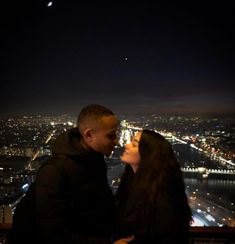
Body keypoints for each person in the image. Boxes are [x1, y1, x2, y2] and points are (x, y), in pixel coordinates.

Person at [35, 104, 119, 244]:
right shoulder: (54, 171)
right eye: (111, 135)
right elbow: (52, 234)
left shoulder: (95, 159)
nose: (116, 141)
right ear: (89, 135)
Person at [113, 129, 192, 244]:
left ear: (148, 154)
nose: (127, 145)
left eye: (134, 144)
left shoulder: (163, 197)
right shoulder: (130, 184)